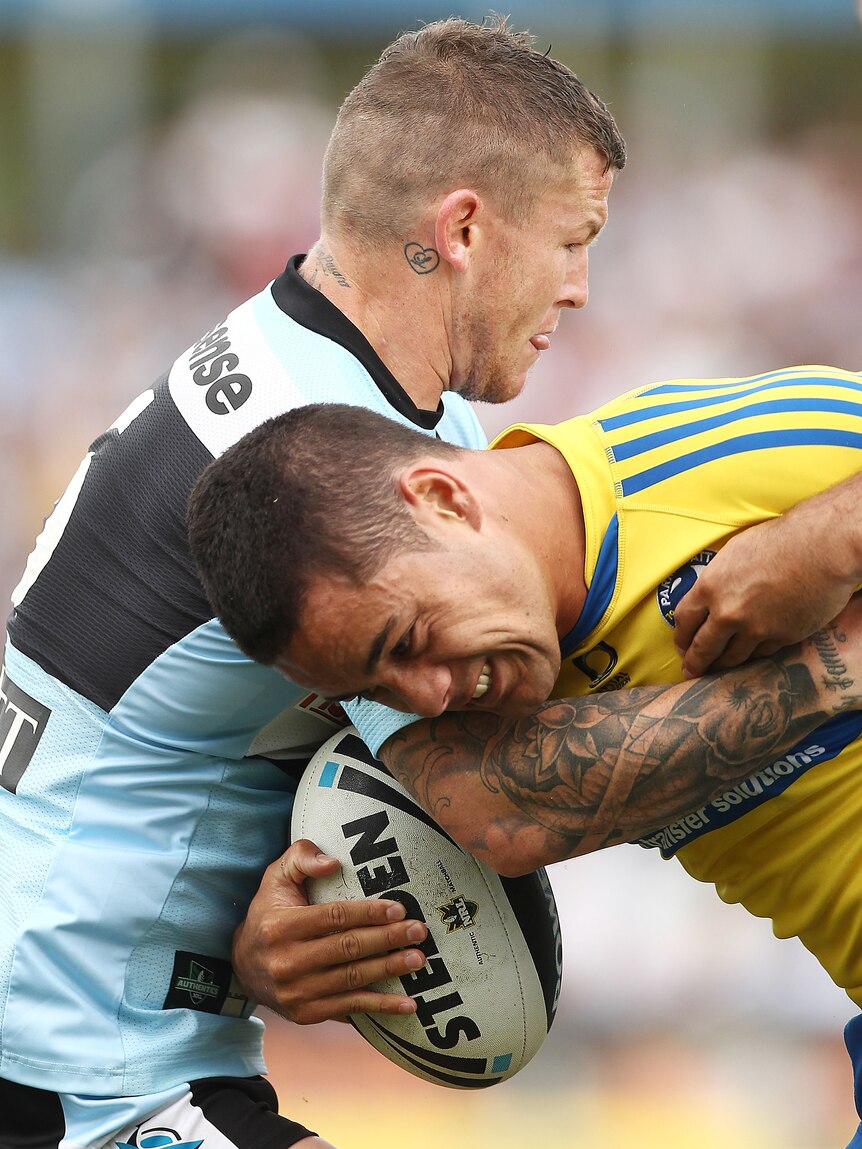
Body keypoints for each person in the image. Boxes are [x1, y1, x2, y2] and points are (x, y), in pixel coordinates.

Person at [0, 16, 628, 1149]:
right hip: (77, 1058)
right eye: (573, 241)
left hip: (88, 1008)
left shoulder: (334, 381)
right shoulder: (343, 465)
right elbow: (499, 805)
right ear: (468, 229)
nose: (580, 288)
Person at [186, 365, 862, 1147]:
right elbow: (503, 816)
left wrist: (838, 527)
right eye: (377, 690)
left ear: (444, 500)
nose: (429, 694)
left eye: (405, 641)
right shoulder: (466, 668)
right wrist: (250, 960)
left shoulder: (726, 464)